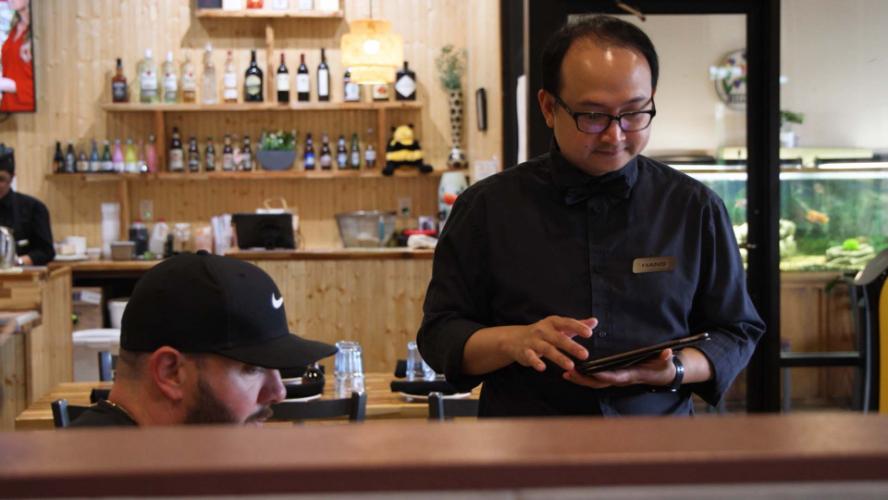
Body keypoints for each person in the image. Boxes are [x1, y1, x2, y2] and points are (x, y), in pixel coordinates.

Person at [417, 15, 764, 417]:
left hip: (660, 448)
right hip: (525, 448)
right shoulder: (486, 209)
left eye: (635, 113)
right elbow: (440, 334)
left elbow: (737, 331)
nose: (615, 135)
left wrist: (673, 370)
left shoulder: (693, 207)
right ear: (549, 107)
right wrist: (514, 340)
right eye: (593, 116)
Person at [70, 252, 337, 426]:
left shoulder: (169, 460)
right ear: (171, 372)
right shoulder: (91, 482)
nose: (279, 392)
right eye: (252, 368)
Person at [0, 144, 54, 265]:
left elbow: (46, 251)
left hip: (23, 278)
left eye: (1, 179)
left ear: (12, 177)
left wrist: (16, 262)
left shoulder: (34, 208)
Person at [0, 0, 34, 112]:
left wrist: (7, 85)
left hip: (30, 115)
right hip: (7, 109)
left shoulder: (42, 31)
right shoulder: (15, 27)